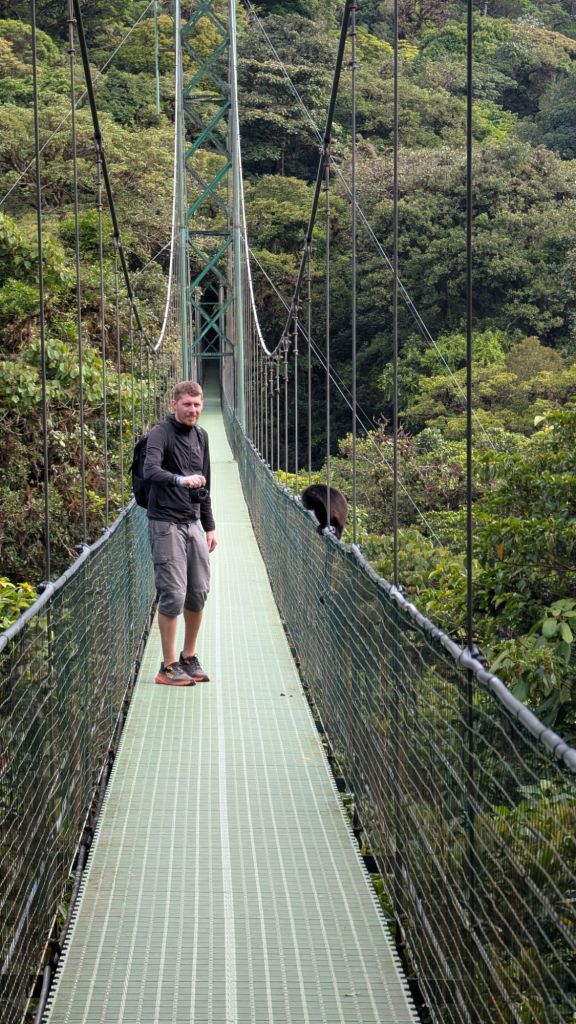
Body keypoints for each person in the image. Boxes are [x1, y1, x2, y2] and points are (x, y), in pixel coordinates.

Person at [143, 380, 217, 686]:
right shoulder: (161, 433)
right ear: (175, 404)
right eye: (187, 404)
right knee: (173, 593)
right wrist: (179, 481)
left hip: (193, 522)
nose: (193, 410)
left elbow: (206, 484)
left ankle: (189, 657)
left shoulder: (202, 436)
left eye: (198, 404)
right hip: (165, 522)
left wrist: (210, 525)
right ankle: (168, 666)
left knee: (198, 591)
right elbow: (150, 470)